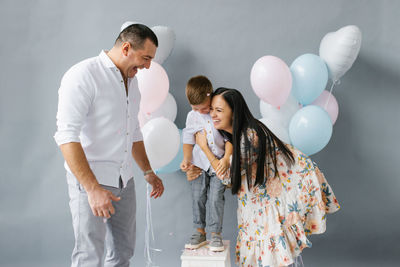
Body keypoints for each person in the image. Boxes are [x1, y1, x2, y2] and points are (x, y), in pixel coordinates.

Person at [54, 24, 164, 267]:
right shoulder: (82, 75)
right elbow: (66, 136)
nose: (147, 66)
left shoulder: (132, 82)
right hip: (91, 181)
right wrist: (92, 189)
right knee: (90, 256)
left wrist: (147, 171)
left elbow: (133, 130)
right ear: (126, 48)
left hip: (125, 179)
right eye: (145, 58)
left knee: (123, 253)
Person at [194, 88, 340, 267]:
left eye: (219, 110)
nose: (213, 115)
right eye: (212, 109)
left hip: (281, 194)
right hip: (258, 201)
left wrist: (204, 147)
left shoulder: (248, 137)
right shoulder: (236, 136)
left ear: (234, 112)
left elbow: (227, 177)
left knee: (269, 253)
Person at [180, 76, 233, 252]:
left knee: (216, 199)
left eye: (203, 108)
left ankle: (215, 234)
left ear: (209, 97)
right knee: (198, 197)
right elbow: (188, 138)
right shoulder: (192, 116)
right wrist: (187, 159)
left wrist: (226, 159)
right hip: (200, 164)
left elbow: (229, 138)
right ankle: (199, 231)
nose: (200, 111)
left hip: (218, 164)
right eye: (195, 108)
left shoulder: (218, 111)